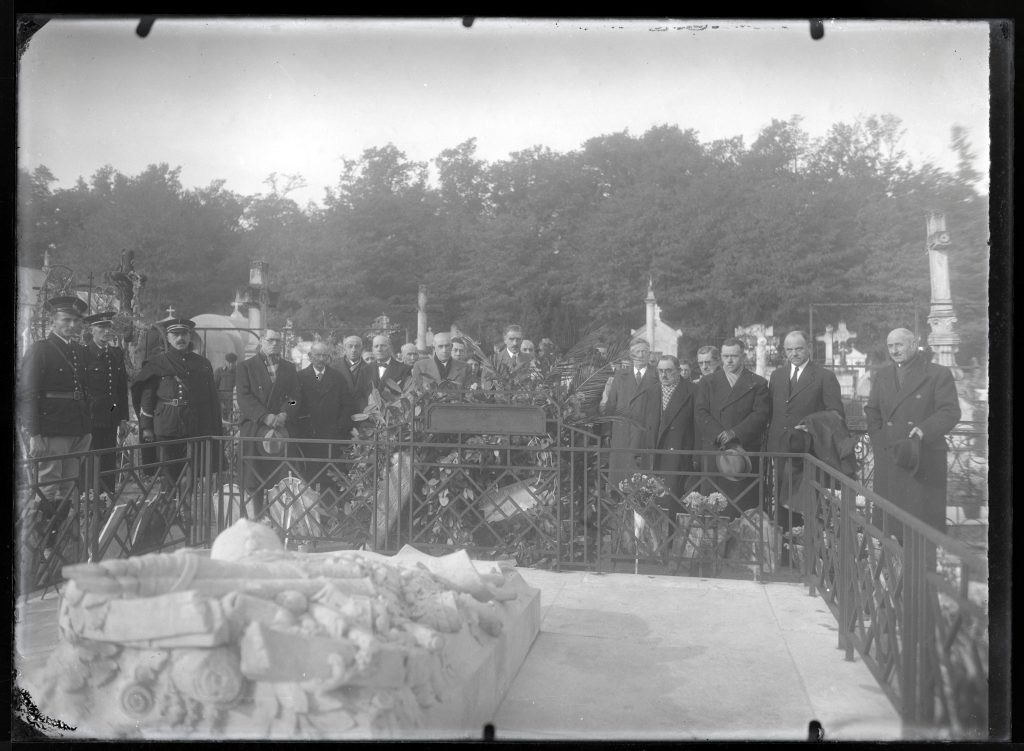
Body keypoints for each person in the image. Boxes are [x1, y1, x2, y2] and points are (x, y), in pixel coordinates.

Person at [865, 328, 960, 535]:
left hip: (922, 458)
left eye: (899, 345)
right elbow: (872, 411)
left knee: (920, 531)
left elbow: (950, 412)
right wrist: (880, 439)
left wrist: (924, 430)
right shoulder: (882, 375)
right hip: (890, 457)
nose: (894, 350)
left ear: (914, 343)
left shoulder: (937, 373)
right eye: (890, 346)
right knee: (890, 529)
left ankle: (920, 567)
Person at [18, 296, 92, 555]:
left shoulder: (78, 350)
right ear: (53, 321)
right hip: (52, 428)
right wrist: (34, 433)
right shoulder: (41, 349)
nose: (72, 325)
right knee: (49, 487)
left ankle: (62, 542)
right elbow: (27, 394)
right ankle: (43, 546)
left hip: (78, 428)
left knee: (69, 486)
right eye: (66, 320)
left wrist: (87, 428)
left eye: (76, 321)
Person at [131, 317, 222, 494]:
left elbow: (211, 399)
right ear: (168, 337)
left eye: (184, 334)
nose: (180, 338)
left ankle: (185, 512)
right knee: (168, 474)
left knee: (192, 473)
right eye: (175, 334)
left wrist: (212, 426)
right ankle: (168, 512)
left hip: (195, 426)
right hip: (166, 426)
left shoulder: (202, 364)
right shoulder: (157, 363)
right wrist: (146, 427)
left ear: (190, 336)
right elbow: (147, 398)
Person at [766, 330, 845, 528]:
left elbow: (836, 414)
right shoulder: (777, 376)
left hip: (808, 451)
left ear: (808, 348)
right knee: (781, 505)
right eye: (789, 349)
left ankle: (807, 552)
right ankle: (784, 552)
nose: (794, 353)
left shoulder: (824, 377)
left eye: (799, 348)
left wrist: (811, 425)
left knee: (807, 507)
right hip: (781, 450)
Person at [695, 338, 769, 516]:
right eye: (725, 356)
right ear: (721, 357)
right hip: (715, 452)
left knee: (742, 511)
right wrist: (719, 433)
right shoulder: (708, 382)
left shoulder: (758, 383)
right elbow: (700, 412)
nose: (729, 361)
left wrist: (735, 433)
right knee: (713, 510)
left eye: (734, 356)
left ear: (743, 356)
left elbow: (760, 415)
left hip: (743, 454)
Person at [235, 328, 302, 513]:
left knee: (283, 475)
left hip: (282, 427)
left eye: (278, 341)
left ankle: (281, 519)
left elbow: (295, 395)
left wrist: (285, 413)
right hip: (255, 426)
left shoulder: (289, 367)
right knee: (254, 477)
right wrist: (265, 416)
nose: (275, 344)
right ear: (261, 341)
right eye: (271, 340)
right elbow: (244, 397)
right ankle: (255, 517)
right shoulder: (246, 367)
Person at [294, 341, 356, 501]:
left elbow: (347, 404)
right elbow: (293, 400)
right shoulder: (299, 377)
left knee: (331, 476)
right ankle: (310, 514)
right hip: (307, 436)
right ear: (310, 356)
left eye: (325, 355)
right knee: (308, 477)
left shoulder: (337, 378)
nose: (321, 359)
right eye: (318, 355)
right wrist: (285, 409)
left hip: (331, 436)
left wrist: (340, 427)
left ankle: (332, 515)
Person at [601, 339, 660, 490]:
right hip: (622, 433)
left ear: (649, 354)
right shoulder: (620, 375)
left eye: (644, 351)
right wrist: (607, 432)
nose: (641, 355)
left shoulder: (657, 375)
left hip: (646, 432)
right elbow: (611, 405)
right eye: (637, 352)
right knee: (620, 480)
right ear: (631, 355)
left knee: (644, 484)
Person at [83, 311, 130, 498]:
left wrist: (123, 418)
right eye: (101, 327)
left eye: (108, 327)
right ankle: (90, 500)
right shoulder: (84, 354)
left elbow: (119, 390)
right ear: (92, 329)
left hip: (110, 415)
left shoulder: (115, 354)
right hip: (90, 418)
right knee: (91, 461)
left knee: (109, 460)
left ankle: (108, 497)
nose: (106, 331)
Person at [649, 355, 698, 527]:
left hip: (679, 457)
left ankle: (672, 546)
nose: (664, 375)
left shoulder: (692, 391)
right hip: (655, 457)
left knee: (674, 506)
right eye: (660, 371)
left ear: (678, 371)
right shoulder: (652, 391)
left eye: (668, 371)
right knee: (654, 506)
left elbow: (697, 427)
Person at [332, 335, 373, 413]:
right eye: (350, 346)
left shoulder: (369, 369)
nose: (353, 350)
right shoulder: (334, 366)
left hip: (362, 413)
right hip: (340, 412)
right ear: (345, 348)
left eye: (357, 347)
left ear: (361, 349)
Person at [369, 334, 411, 399]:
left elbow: (407, 394)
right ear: (372, 350)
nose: (379, 349)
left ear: (390, 348)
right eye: (376, 346)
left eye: (383, 346)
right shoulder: (365, 369)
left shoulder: (404, 369)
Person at [214, 352, 238, 421]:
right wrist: (220, 402)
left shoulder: (239, 371)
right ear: (225, 362)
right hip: (223, 401)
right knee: (223, 421)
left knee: (234, 421)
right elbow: (215, 388)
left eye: (233, 363)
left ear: (236, 362)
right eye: (229, 363)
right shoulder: (219, 371)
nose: (231, 365)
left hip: (235, 401)